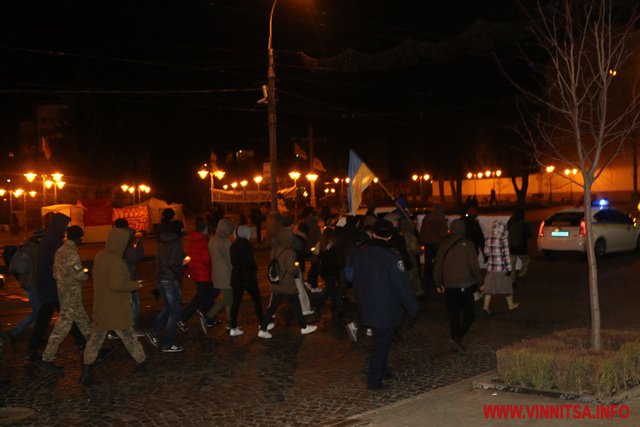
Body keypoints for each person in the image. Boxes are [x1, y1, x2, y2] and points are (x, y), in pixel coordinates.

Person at [352, 219, 419, 390]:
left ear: (373, 234)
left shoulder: (361, 253)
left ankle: (383, 369)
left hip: (367, 303)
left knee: (382, 341)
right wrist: (412, 307)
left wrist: (360, 303)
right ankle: (374, 381)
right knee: (381, 344)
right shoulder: (392, 257)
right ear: (389, 236)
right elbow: (401, 286)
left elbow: (356, 281)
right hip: (385, 307)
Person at [81, 227, 147, 386]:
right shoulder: (117, 261)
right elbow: (117, 284)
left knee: (96, 339)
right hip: (116, 307)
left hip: (101, 306)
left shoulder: (100, 255)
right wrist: (135, 285)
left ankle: (87, 370)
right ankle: (144, 363)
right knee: (128, 336)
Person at [26, 213, 85, 364]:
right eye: (65, 225)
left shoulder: (50, 239)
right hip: (53, 287)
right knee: (57, 317)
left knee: (63, 316)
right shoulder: (54, 242)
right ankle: (34, 351)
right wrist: (80, 274)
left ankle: (82, 342)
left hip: (49, 285)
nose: (65, 229)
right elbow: (63, 264)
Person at [40, 226, 92, 370]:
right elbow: (77, 271)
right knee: (62, 326)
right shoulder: (72, 252)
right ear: (78, 238)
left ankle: (95, 346)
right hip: (72, 293)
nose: (81, 240)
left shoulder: (60, 250)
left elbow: (54, 271)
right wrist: (86, 274)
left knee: (83, 320)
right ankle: (48, 357)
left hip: (63, 292)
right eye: (81, 237)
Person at [258, 227, 317, 339]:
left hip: (276, 283)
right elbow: (291, 269)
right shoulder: (290, 252)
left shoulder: (274, 250)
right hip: (287, 284)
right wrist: (296, 269)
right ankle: (304, 327)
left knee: (273, 307)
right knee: (296, 305)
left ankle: (263, 328)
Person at [433, 219, 482, 353]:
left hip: (449, 285)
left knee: (453, 313)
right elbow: (474, 266)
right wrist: (480, 282)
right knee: (470, 313)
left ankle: (455, 337)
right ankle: (457, 338)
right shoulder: (469, 245)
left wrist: (438, 282)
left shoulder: (444, 244)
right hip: (465, 283)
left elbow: (438, 265)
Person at [146, 220, 185, 353]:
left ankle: (153, 331)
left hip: (161, 278)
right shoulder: (176, 243)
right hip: (170, 279)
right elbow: (174, 264)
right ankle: (168, 342)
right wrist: (180, 272)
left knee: (169, 307)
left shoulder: (161, 243)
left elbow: (158, 262)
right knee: (174, 310)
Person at [178, 217, 219, 334]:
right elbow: (206, 259)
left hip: (196, 273)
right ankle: (183, 318)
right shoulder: (203, 241)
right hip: (204, 274)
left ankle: (210, 318)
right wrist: (214, 259)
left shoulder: (192, 240)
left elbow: (190, 256)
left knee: (207, 295)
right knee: (202, 297)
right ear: (204, 229)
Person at [8, 228, 44, 341]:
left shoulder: (26, 246)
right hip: (32, 283)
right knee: (37, 311)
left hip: (25, 283)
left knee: (38, 309)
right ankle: (13, 333)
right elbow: (39, 269)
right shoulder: (37, 249)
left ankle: (36, 335)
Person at [228, 225, 265, 336]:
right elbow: (250, 262)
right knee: (257, 301)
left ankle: (233, 327)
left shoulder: (233, 246)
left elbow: (233, 262)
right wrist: (254, 267)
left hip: (236, 277)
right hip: (249, 278)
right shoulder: (249, 246)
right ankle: (262, 323)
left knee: (236, 303)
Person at [112, 219, 145, 338]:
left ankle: (116, 329)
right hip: (128, 276)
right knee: (134, 302)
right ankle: (132, 328)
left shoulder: (114, 238)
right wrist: (139, 244)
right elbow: (135, 257)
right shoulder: (128, 239)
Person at [202, 218, 235, 330]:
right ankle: (208, 316)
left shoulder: (212, 239)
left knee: (229, 299)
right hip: (226, 275)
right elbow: (230, 260)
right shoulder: (225, 241)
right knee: (227, 299)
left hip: (216, 274)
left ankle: (230, 322)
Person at [481, 220, 519, 314]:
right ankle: (511, 305)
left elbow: (486, 252)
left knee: (489, 288)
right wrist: (509, 269)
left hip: (491, 268)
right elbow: (506, 256)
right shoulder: (503, 239)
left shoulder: (488, 238)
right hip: (502, 269)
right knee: (507, 287)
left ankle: (485, 306)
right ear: (502, 229)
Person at [419, 204, 449, 293]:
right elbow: (444, 233)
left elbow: (422, 231)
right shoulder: (441, 219)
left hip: (428, 244)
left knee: (428, 264)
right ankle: (437, 283)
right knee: (438, 263)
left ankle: (426, 284)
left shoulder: (426, 218)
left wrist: (422, 242)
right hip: (438, 244)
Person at [507, 207, 531, 287]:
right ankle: (521, 274)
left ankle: (512, 281)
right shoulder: (524, 224)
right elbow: (529, 235)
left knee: (512, 266)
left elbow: (507, 229)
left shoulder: (510, 222)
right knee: (526, 261)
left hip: (511, 248)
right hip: (522, 248)